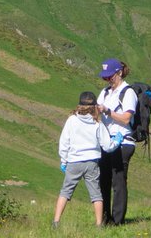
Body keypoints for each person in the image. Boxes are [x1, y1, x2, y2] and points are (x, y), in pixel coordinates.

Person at [53, 91, 115, 228]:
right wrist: (116, 141)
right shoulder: (97, 123)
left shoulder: (72, 120)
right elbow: (107, 146)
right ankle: (99, 224)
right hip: (92, 162)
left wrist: (64, 160)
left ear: (79, 105)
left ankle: (56, 221)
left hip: (74, 161)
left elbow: (64, 142)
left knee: (65, 192)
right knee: (96, 194)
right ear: (95, 107)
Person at [97, 59, 138, 225]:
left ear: (119, 73)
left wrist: (108, 111)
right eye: (105, 77)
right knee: (103, 180)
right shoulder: (105, 92)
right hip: (106, 143)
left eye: (110, 77)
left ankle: (118, 221)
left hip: (123, 142)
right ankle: (104, 218)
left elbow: (126, 118)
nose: (108, 80)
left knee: (118, 181)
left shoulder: (128, 93)